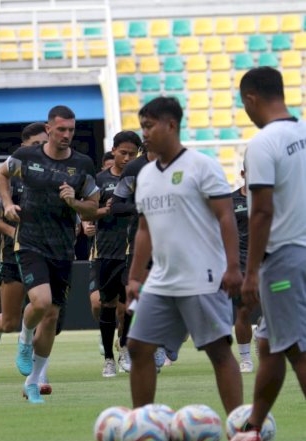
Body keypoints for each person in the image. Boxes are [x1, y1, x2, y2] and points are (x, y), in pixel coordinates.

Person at [126, 96, 243, 414]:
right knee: (137, 347)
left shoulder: (202, 166)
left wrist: (233, 267)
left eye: (149, 126)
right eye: (142, 127)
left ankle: (239, 427)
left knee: (219, 351)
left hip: (203, 276)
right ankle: (142, 423)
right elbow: (144, 230)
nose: (144, 134)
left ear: (171, 125)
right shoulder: (146, 175)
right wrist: (135, 277)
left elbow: (226, 217)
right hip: (162, 279)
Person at [221, 67, 306, 441]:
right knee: (270, 345)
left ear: (251, 98)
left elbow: (261, 212)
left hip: (284, 257)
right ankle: (253, 428)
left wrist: (251, 271)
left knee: (299, 349)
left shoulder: (263, 143)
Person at [0, 105, 99, 403]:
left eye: (71, 130)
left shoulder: (82, 164)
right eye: (62, 129)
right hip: (29, 241)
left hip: (63, 248)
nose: (67, 135)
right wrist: (7, 203)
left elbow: (93, 206)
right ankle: (25, 338)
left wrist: (74, 203)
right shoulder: (27, 156)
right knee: (40, 302)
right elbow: (2, 174)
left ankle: (33, 381)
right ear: (49, 128)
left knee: (52, 316)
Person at [0, 122, 52, 393]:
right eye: (35, 145)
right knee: (10, 320)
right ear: (23, 148)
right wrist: (13, 232)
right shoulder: (10, 180)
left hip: (48, 254)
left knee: (46, 312)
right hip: (14, 256)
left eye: (43, 144)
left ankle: (39, 376)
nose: (40, 150)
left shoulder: (53, 174)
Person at [91, 131, 142, 377]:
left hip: (133, 250)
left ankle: (125, 348)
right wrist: (102, 211)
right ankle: (109, 359)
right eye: (123, 153)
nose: (128, 158)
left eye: (133, 154)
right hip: (106, 250)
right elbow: (86, 212)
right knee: (107, 304)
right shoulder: (99, 180)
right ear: (113, 151)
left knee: (131, 304)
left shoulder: (143, 178)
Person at [110, 145, 157, 372]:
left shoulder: (184, 163)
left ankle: (161, 341)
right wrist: (141, 207)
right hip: (141, 241)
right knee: (136, 296)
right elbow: (116, 205)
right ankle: (127, 346)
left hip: (174, 242)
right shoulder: (135, 168)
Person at [231, 168, 258, 373]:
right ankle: (246, 357)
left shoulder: (273, 197)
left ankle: (263, 332)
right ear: (243, 173)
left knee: (276, 306)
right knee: (243, 310)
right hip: (240, 261)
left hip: (268, 259)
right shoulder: (231, 200)